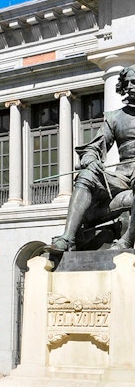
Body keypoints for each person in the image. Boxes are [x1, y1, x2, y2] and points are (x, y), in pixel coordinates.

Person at [50, 64, 135, 251]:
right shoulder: (115, 117)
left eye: (134, 82)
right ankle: (67, 239)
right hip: (121, 177)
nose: (130, 87)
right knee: (87, 174)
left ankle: (126, 241)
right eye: (127, 83)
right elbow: (94, 146)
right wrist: (90, 158)